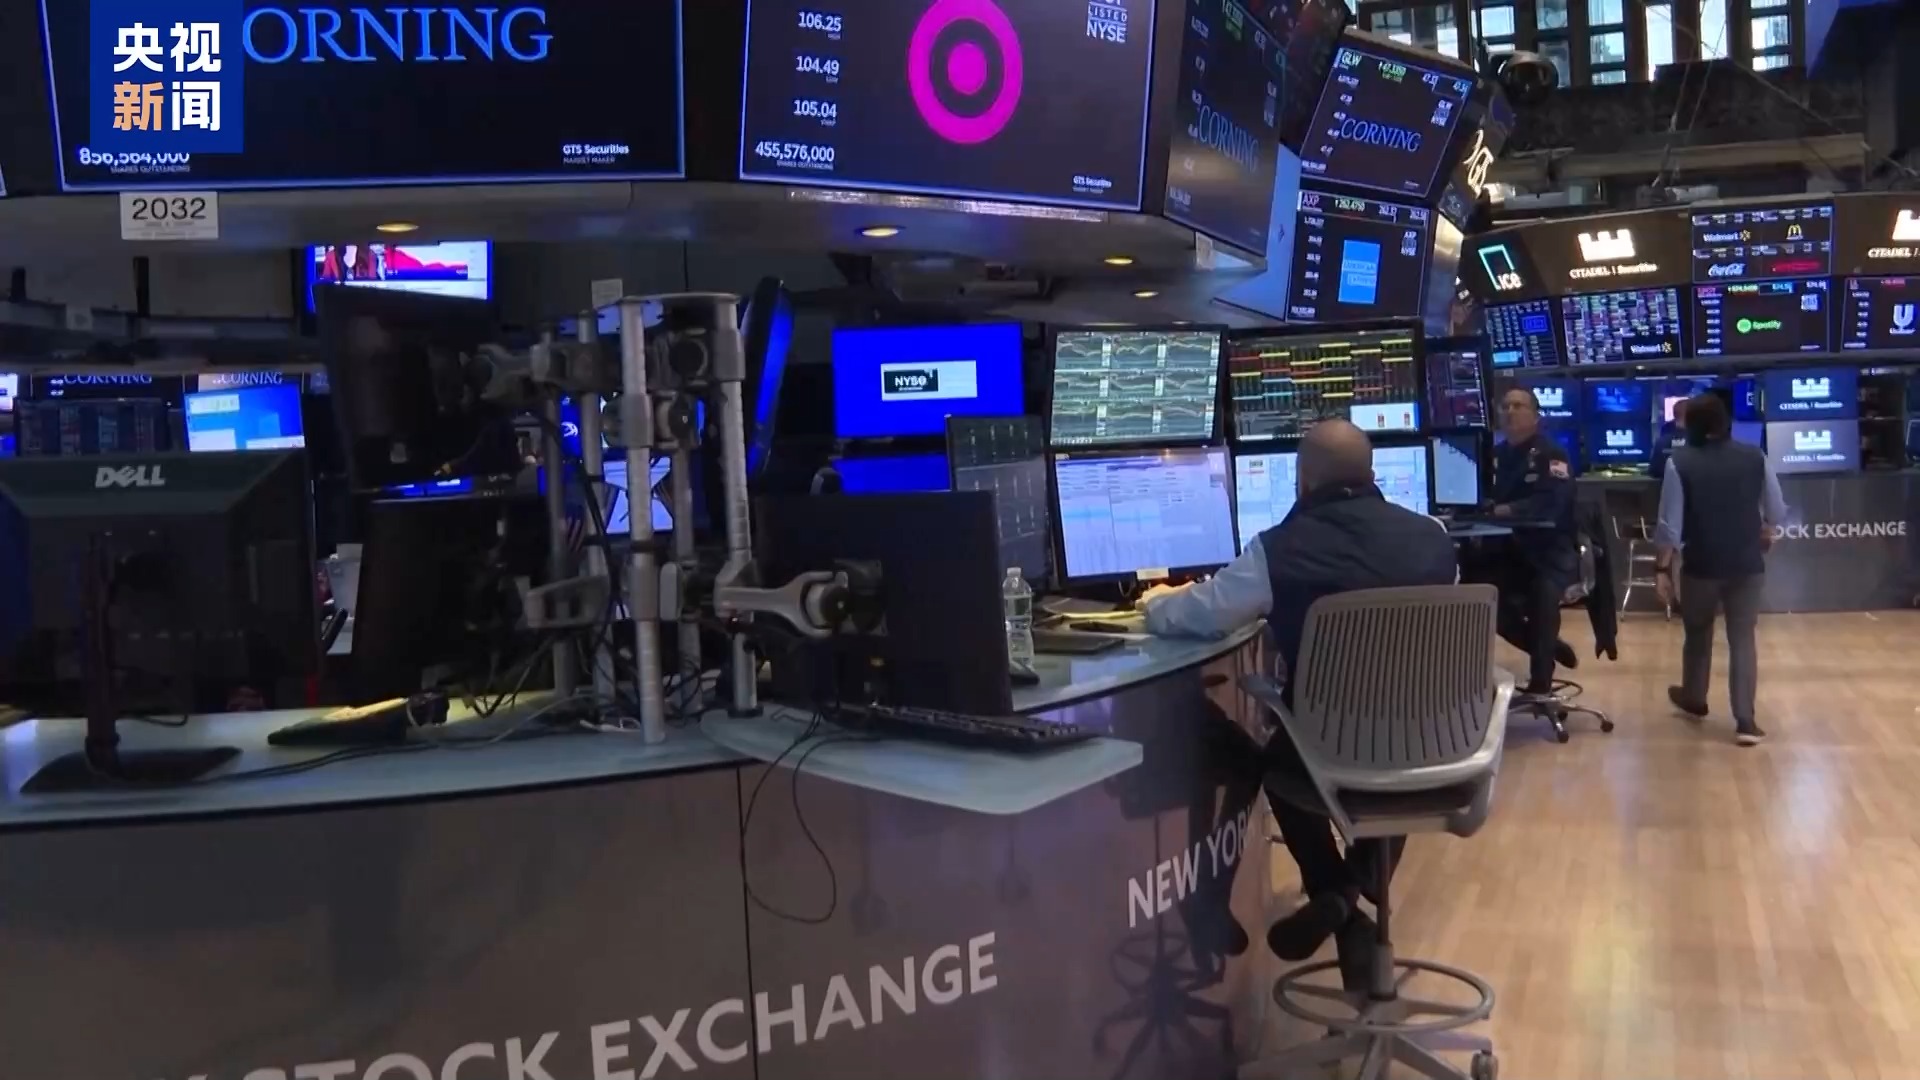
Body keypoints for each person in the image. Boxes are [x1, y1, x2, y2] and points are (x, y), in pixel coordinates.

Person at [1139, 420, 1458, 983]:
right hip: (1437, 746)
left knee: (1274, 758)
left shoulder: (1280, 550)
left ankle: (1337, 893)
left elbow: (1199, 615)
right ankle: (1349, 897)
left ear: (1302, 479)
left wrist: (1157, 602)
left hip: (1330, 753)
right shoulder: (1434, 537)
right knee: (1397, 741)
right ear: (1373, 474)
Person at [1653, 392, 1787, 746]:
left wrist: (1662, 570)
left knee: (1697, 635)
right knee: (1742, 639)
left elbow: (1670, 525)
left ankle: (1695, 698)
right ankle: (1746, 721)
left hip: (1701, 565)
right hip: (1746, 564)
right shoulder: (1755, 456)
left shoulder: (1679, 462)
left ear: (1692, 426)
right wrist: (1765, 529)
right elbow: (1776, 510)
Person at [1485, 386, 1580, 694]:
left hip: (1548, 552)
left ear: (1536, 416)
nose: (1510, 411)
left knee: (1543, 594)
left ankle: (1542, 683)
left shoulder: (1552, 455)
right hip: (1506, 552)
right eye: (1505, 406)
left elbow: (1553, 502)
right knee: (1481, 597)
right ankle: (1545, 646)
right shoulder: (1494, 456)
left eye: (1518, 406)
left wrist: (1508, 510)